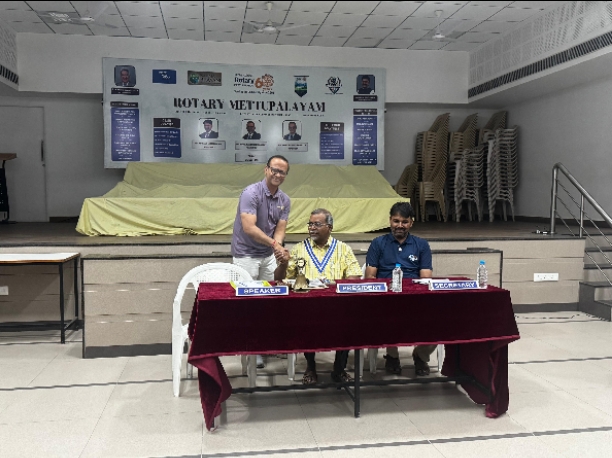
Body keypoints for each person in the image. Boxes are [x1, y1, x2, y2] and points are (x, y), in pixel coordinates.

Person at [274, 208, 362, 385]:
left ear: (329, 227)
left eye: (317, 224)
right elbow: (279, 280)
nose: (312, 228)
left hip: (337, 306)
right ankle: (311, 367)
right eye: (310, 224)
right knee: (305, 320)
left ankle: (339, 369)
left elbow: (354, 278)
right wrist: (283, 264)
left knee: (350, 322)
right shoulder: (299, 249)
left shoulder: (343, 249)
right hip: (308, 307)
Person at [231, 155, 291, 369]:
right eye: (274, 170)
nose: (277, 174)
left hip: (267, 255)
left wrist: (278, 246)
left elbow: (280, 229)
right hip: (246, 254)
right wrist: (275, 244)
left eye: (282, 172)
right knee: (249, 302)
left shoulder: (285, 200)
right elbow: (249, 227)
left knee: (271, 300)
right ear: (266, 170)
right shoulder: (251, 193)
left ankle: (265, 343)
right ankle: (251, 347)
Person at [364, 201, 436, 376]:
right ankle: (392, 356)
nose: (400, 225)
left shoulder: (421, 245)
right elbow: (370, 277)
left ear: (411, 222)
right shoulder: (378, 243)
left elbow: (426, 278)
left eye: (404, 222)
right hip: (385, 298)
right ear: (390, 220)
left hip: (414, 297)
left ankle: (421, 355)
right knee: (389, 314)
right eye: (396, 221)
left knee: (440, 320)